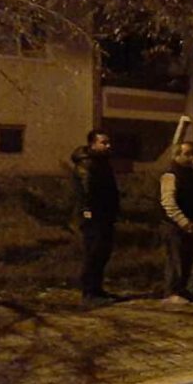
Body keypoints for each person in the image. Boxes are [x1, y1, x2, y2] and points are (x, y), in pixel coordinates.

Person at [71, 129, 120, 306]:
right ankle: (89, 292)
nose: (108, 146)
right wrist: (88, 212)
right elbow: (86, 191)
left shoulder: (102, 163)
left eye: (108, 142)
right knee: (93, 252)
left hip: (104, 215)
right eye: (103, 143)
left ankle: (97, 289)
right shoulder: (87, 164)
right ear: (93, 144)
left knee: (102, 252)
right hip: (94, 216)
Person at [159, 142, 193, 305]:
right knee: (175, 259)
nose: (191, 158)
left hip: (190, 222)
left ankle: (182, 289)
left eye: (192, 154)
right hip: (174, 224)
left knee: (187, 257)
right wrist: (182, 221)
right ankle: (171, 292)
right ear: (177, 155)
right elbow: (168, 202)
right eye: (186, 154)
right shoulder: (171, 175)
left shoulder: (191, 174)